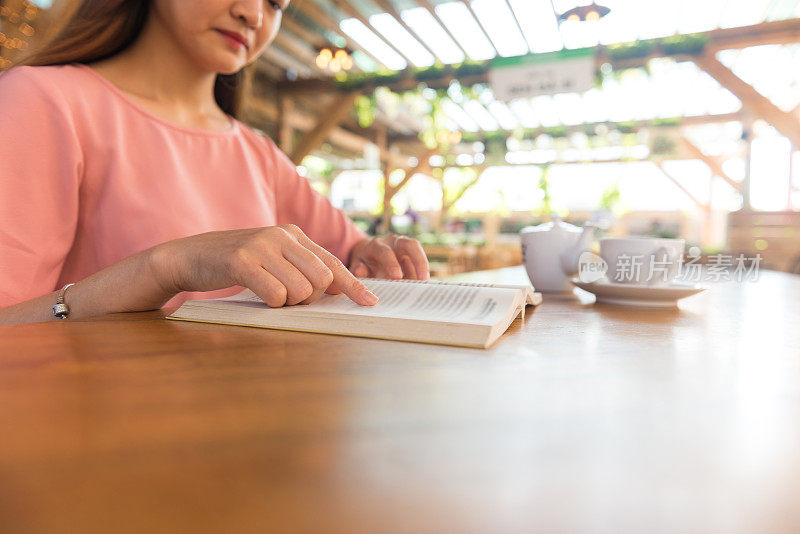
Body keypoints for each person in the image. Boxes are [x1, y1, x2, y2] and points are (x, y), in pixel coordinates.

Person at [0, 0, 430, 325]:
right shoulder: (41, 101)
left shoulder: (257, 151)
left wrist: (378, 255)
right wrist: (166, 266)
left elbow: (352, 253)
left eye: (276, 3)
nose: (253, 14)